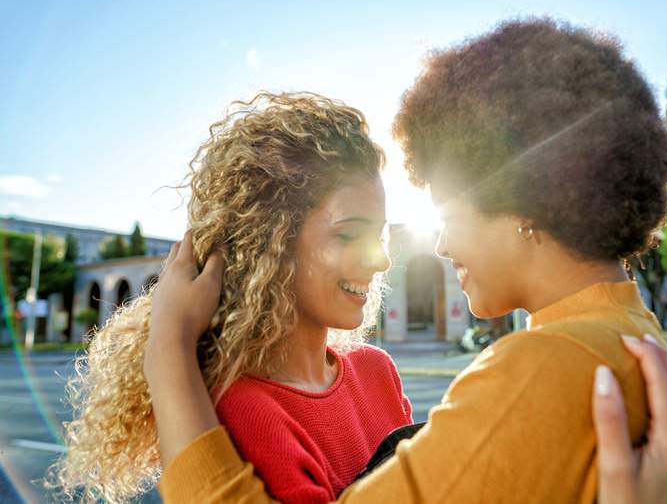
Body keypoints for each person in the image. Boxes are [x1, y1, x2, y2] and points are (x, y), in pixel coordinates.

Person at [147, 18, 667, 503]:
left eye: (445, 208)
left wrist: (167, 353)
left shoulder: (545, 367)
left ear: (521, 197)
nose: (438, 244)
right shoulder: (627, 333)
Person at [51, 92, 416, 503]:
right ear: (271, 245)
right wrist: (169, 343)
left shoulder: (376, 371)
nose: (382, 260)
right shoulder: (243, 409)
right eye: (349, 234)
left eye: (379, 235)